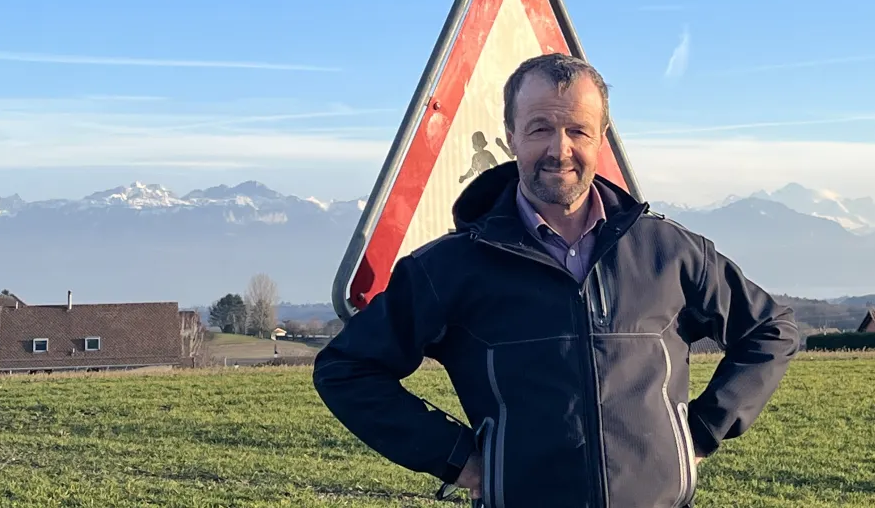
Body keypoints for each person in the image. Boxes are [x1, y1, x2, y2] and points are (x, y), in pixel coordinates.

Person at [314, 53, 799, 508]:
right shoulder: (449, 267)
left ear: (601, 137)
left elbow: (770, 329)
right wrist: (458, 457)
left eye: (577, 130)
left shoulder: (667, 250)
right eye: (539, 128)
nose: (559, 149)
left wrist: (704, 430)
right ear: (510, 135)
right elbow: (346, 370)